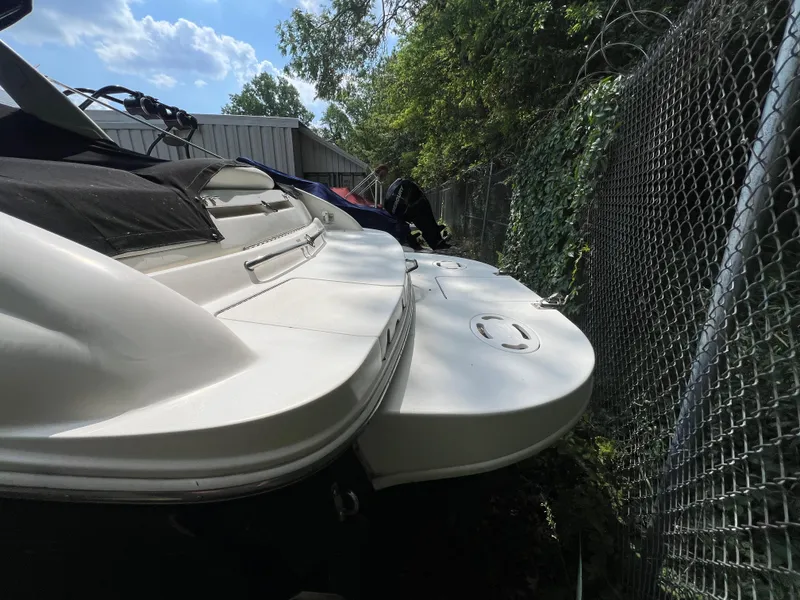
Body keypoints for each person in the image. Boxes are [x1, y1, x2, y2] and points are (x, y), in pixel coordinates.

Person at [375, 165, 451, 251]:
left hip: (412, 206)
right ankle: (436, 243)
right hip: (414, 205)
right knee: (427, 223)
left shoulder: (390, 187)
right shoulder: (391, 186)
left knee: (427, 224)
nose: (384, 175)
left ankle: (435, 242)